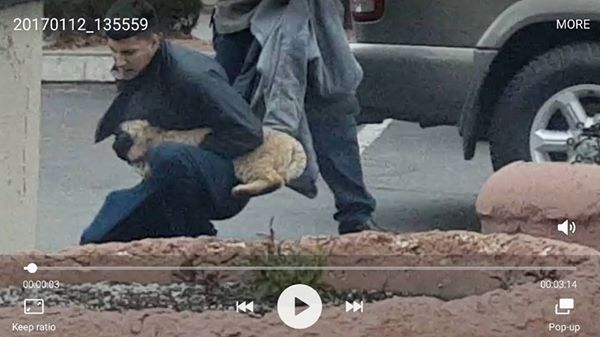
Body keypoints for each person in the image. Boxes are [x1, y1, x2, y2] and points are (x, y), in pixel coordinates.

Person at [79, 0, 263, 245]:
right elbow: (127, 129)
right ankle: (175, 239)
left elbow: (250, 133)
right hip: (170, 176)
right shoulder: (134, 69)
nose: (119, 61)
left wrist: (181, 142)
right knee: (98, 238)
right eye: (113, 51)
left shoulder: (194, 75)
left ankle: (200, 242)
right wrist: (129, 145)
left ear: (155, 41)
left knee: (166, 156)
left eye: (128, 53)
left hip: (225, 180)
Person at [212, 0, 378, 235]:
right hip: (245, 27)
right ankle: (186, 210)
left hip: (315, 22)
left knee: (334, 111)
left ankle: (356, 215)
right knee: (223, 118)